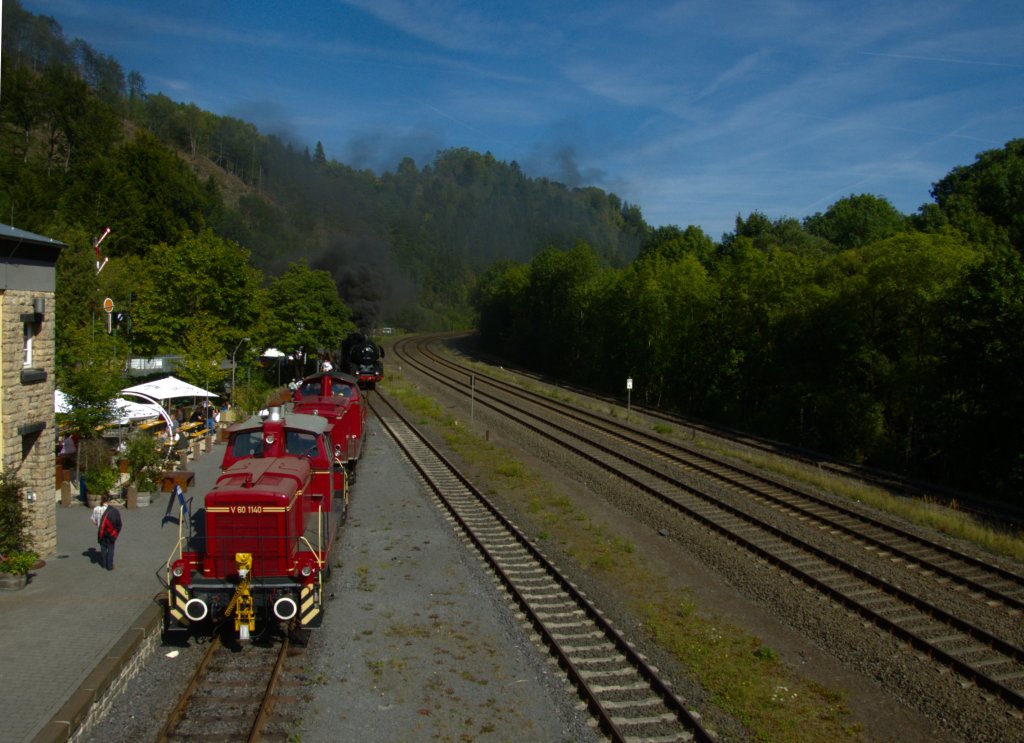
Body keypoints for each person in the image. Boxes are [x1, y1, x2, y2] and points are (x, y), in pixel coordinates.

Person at [97, 496, 122, 571]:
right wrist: (115, 532)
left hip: (101, 532)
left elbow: (94, 520)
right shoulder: (115, 511)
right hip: (111, 533)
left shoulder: (96, 509)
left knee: (103, 547)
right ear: (109, 502)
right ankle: (110, 566)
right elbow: (119, 524)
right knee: (111, 549)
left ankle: (104, 564)